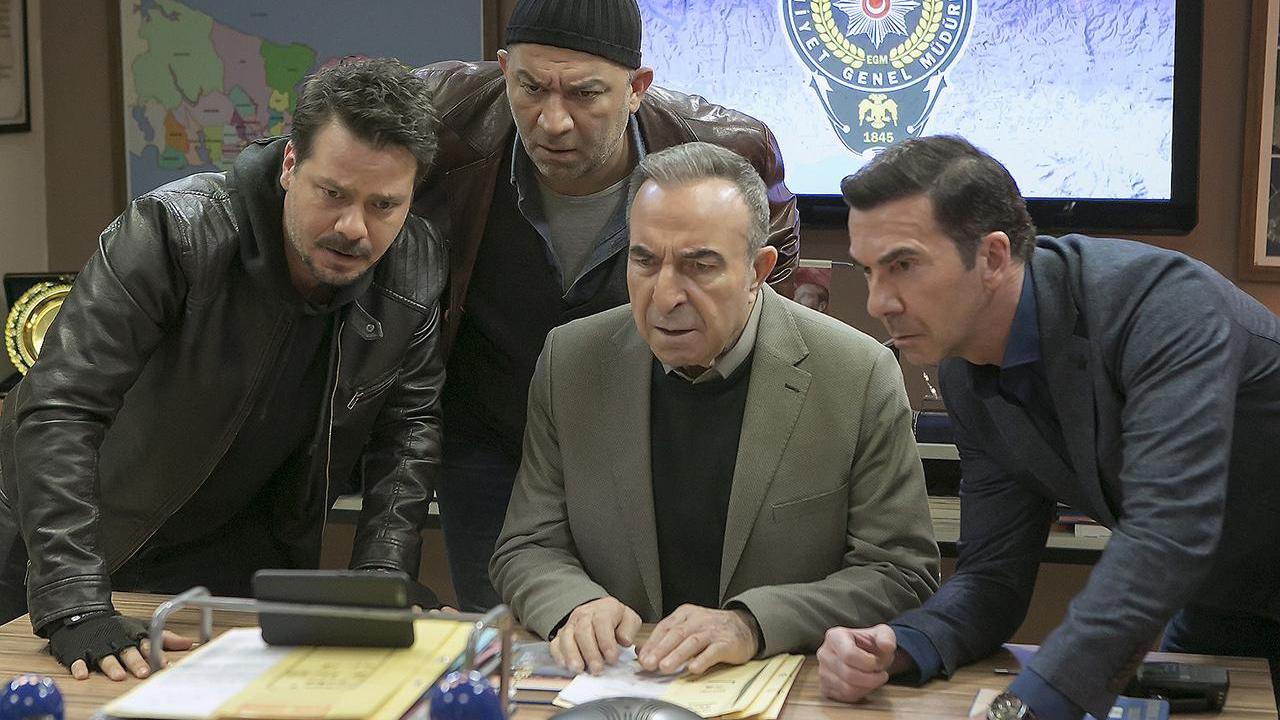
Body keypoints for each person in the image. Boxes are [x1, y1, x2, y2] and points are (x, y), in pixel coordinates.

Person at [0, 59, 448, 681]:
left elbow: (409, 428)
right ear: (289, 165)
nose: (353, 228)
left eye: (383, 205)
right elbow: (60, 407)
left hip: (238, 568)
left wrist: (382, 578)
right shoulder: (173, 232)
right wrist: (74, 601)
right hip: (76, 548)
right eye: (333, 194)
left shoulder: (415, 266)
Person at [823, 135, 1280, 719]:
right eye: (869, 271)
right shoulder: (967, 370)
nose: (878, 302)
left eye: (903, 265)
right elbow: (993, 577)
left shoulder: (1162, 305)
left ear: (992, 257)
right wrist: (901, 644)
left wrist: (1021, 710)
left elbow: (1168, 532)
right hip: (1228, 599)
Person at [490, 142, 938, 676]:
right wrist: (574, 604)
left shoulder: (856, 374)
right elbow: (527, 545)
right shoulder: (572, 360)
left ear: (758, 271)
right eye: (644, 261)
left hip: (781, 685)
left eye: (699, 266)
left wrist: (753, 624)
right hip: (616, 682)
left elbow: (899, 573)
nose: (665, 296)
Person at [411, 0, 801, 611]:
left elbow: (767, 292)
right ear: (504, 69)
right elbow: (308, 161)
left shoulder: (723, 150)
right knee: (509, 629)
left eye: (585, 94)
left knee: (650, 628)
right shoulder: (444, 116)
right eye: (530, 88)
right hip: (486, 434)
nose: (553, 122)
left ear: (636, 88)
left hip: (648, 434)